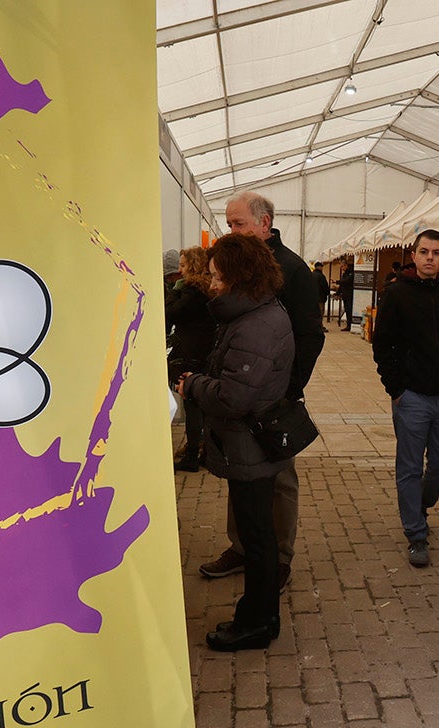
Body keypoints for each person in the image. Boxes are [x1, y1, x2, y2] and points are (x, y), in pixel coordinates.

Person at [197, 192, 323, 590]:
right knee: (241, 471)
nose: (230, 230)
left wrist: (288, 387)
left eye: (238, 224)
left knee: (280, 477)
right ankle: (243, 546)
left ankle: (279, 556)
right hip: (240, 394)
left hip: (272, 398)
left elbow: (310, 336)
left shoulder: (293, 270)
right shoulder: (239, 263)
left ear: (264, 223)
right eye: (229, 224)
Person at [177, 234, 294, 651]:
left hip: (250, 445)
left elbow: (233, 396)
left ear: (238, 275)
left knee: (258, 536)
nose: (211, 283)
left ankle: (258, 623)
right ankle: (259, 616)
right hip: (249, 443)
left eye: (216, 276)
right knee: (257, 532)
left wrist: (192, 386)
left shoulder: (257, 324)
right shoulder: (253, 314)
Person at [371, 229, 439, 568]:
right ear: (413, 255)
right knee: (410, 467)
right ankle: (416, 534)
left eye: (436, 252)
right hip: (412, 397)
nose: (429, 257)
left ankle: (423, 502)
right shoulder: (396, 295)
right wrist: (395, 389)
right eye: (424, 251)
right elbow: (382, 344)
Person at [166, 247, 214, 472]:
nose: (179, 270)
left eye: (183, 265)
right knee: (201, 405)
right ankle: (204, 452)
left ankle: (192, 455)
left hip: (190, 353)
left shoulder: (192, 291)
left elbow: (172, 313)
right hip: (203, 353)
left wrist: (171, 292)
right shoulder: (206, 289)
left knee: (192, 404)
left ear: (193, 266)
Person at [337, 262, 355, 330]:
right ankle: (348, 325)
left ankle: (350, 325)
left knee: (349, 310)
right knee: (347, 310)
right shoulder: (344, 274)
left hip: (349, 295)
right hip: (345, 295)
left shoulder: (351, 273)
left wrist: (338, 281)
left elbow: (346, 281)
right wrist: (338, 293)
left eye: (342, 266)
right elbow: (342, 285)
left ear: (346, 265)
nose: (341, 268)